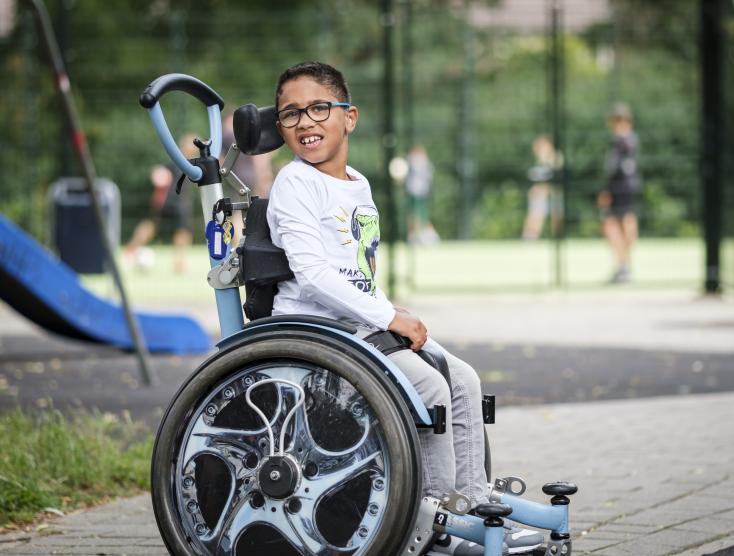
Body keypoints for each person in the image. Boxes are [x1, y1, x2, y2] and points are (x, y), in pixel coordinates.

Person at [266, 61, 542, 556]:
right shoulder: (294, 182)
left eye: (318, 108)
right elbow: (312, 274)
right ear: (281, 126)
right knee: (431, 386)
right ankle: (432, 526)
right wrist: (388, 318)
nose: (305, 122)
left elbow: (357, 272)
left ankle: (472, 505)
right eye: (291, 114)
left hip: (357, 324)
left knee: (464, 379)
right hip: (317, 331)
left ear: (349, 117)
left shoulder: (358, 184)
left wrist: (386, 309)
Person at [124, 134, 196, 273]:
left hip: (174, 202)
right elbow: (158, 173)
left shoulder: (186, 162)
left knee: (171, 228)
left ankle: (179, 262)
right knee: (163, 227)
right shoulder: (178, 162)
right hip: (174, 202)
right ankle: (131, 250)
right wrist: (158, 177)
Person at [597, 102, 641, 283]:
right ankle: (624, 266)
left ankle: (623, 266)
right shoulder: (632, 140)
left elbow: (613, 169)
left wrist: (606, 190)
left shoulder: (619, 142)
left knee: (611, 225)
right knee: (626, 222)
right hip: (630, 186)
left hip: (619, 187)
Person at [221, 111, 275, 243]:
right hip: (251, 176)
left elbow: (220, 159)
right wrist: (263, 175)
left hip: (234, 177)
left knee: (236, 213)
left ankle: (238, 243)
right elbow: (259, 158)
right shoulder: (248, 135)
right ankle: (249, 241)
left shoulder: (226, 136)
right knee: (250, 210)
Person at [522, 134, 561, 241]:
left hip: (552, 194)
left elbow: (555, 177)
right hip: (540, 195)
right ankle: (529, 239)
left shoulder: (555, 158)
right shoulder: (540, 160)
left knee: (556, 218)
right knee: (535, 217)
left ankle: (557, 239)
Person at [406, 144, 439, 244]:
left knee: (419, 214)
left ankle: (428, 235)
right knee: (414, 214)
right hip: (415, 191)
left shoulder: (415, 161)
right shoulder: (422, 162)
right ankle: (415, 236)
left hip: (418, 191)